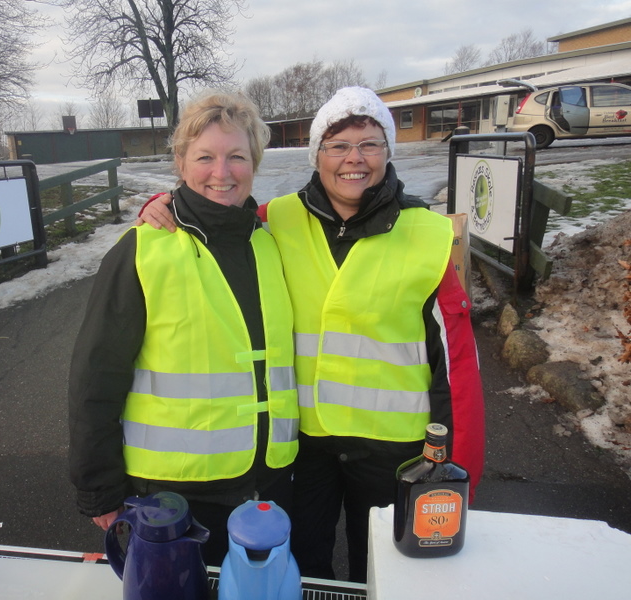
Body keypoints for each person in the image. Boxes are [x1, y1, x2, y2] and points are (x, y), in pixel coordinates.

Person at [137, 86, 485, 583]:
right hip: (306, 447)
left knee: (390, 570)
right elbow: (212, 206)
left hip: (395, 452)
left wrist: (461, 472)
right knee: (304, 566)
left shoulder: (428, 236)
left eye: (370, 144)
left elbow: (456, 369)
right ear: (316, 155)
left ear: (388, 152)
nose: (354, 160)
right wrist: (161, 204)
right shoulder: (276, 220)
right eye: (338, 146)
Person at [67, 89, 299, 567]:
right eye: (205, 157)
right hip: (173, 501)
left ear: (254, 162)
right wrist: (99, 489)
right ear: (180, 162)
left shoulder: (269, 244)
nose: (222, 172)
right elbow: (96, 375)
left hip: (266, 485)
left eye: (236, 156)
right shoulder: (144, 250)